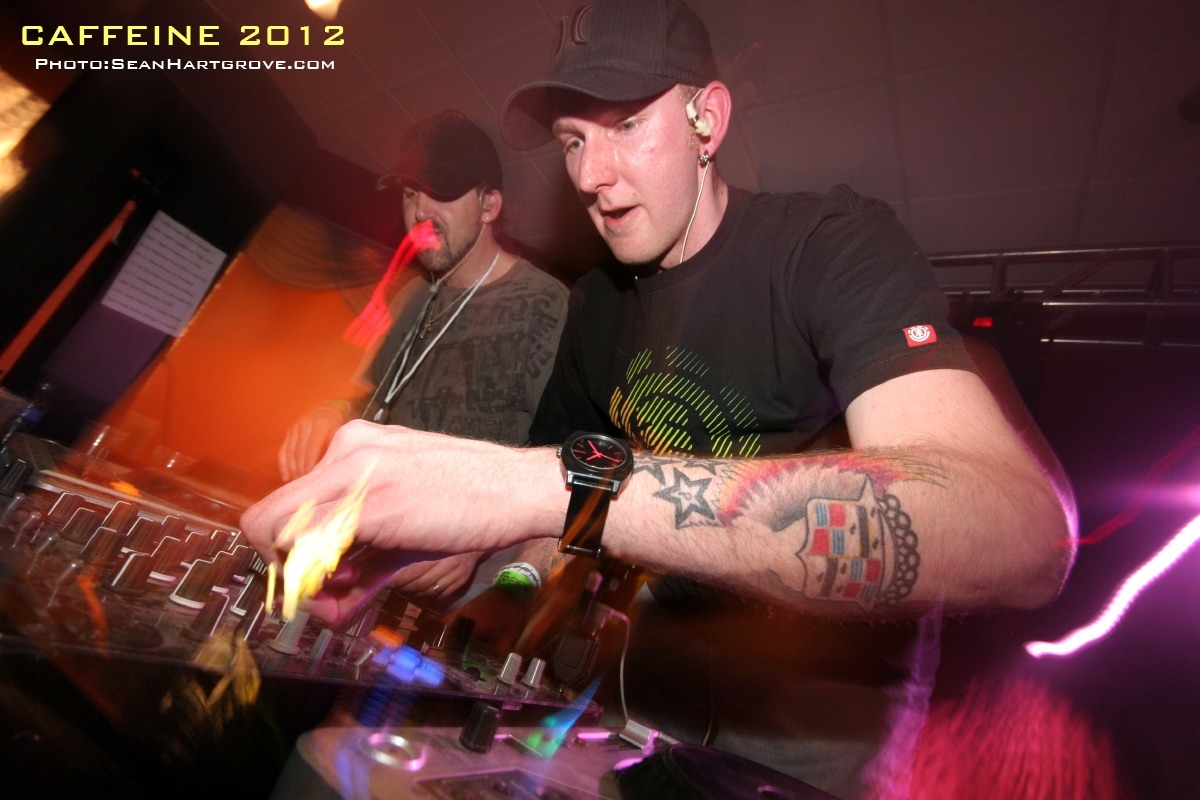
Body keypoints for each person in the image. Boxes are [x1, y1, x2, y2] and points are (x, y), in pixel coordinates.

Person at [242, 2, 1077, 797]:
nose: (591, 175)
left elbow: (1016, 532)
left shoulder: (827, 248)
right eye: (573, 141)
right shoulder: (596, 306)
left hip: (816, 726)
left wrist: (533, 488)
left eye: (627, 125)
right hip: (647, 690)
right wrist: (497, 564)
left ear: (706, 119)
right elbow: (563, 508)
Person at [275, 109, 569, 607]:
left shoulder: (547, 303)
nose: (419, 211)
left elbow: (561, 461)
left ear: (489, 205)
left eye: (441, 191)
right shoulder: (411, 295)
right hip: (369, 557)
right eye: (411, 192)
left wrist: (478, 539)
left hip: (467, 585)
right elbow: (373, 401)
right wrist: (331, 410)